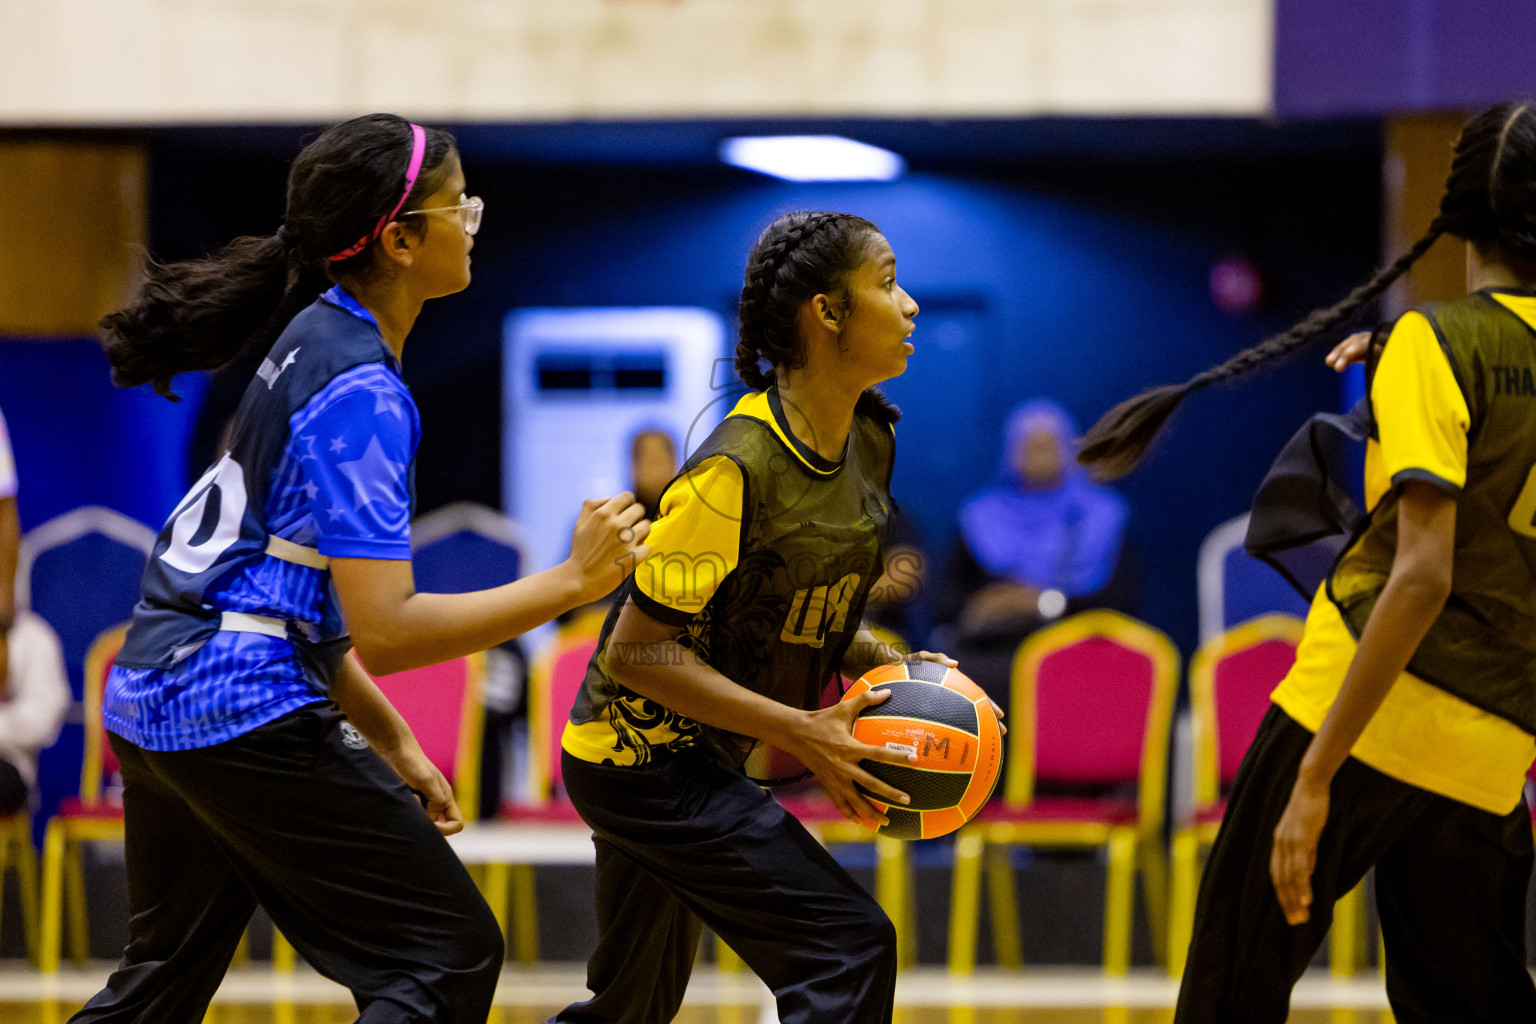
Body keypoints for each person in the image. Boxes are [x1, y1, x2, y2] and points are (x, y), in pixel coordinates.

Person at [72, 113, 648, 1024]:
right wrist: (571, 586)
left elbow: (288, 597)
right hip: (238, 704)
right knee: (444, 956)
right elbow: (384, 628)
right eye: (461, 205)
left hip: (153, 692)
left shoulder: (307, 336)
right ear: (402, 238)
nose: (473, 222)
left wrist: (394, 741)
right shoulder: (364, 392)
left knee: (161, 980)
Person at [1079, 100, 1536, 1022]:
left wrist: (1317, 776)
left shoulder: (1439, 343)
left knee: (1229, 990)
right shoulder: (1434, 351)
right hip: (1492, 740)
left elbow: (1420, 575)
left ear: (1457, 212)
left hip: (1359, 709)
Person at [550, 210, 999, 1024]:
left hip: (694, 754)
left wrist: (904, 671)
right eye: (889, 283)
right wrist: (803, 729)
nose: (912, 307)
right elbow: (635, 653)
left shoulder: (870, 438)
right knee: (847, 948)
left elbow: (808, 614)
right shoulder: (735, 469)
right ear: (826, 313)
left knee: (629, 1010)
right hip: (641, 762)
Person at [934, 399, 1129, 711]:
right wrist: (984, 605)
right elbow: (946, 604)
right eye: (1027, 445)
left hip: (1082, 652)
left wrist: (1042, 602)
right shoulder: (980, 517)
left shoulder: (1103, 516)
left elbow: (1121, 601)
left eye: (1047, 445)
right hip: (995, 653)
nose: (1037, 455)